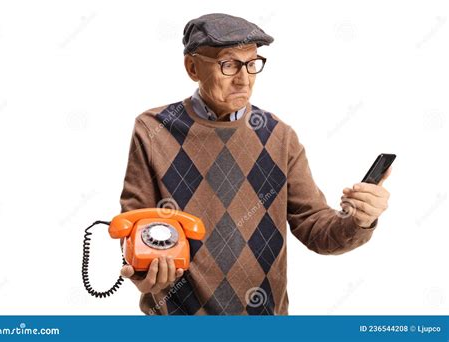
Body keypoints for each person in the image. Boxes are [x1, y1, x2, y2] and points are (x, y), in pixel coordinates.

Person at [119, 13, 391, 315]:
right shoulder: (153, 129)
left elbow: (316, 229)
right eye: (229, 64)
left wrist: (359, 221)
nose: (244, 78)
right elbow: (134, 225)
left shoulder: (279, 136)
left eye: (252, 64)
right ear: (192, 67)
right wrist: (145, 275)